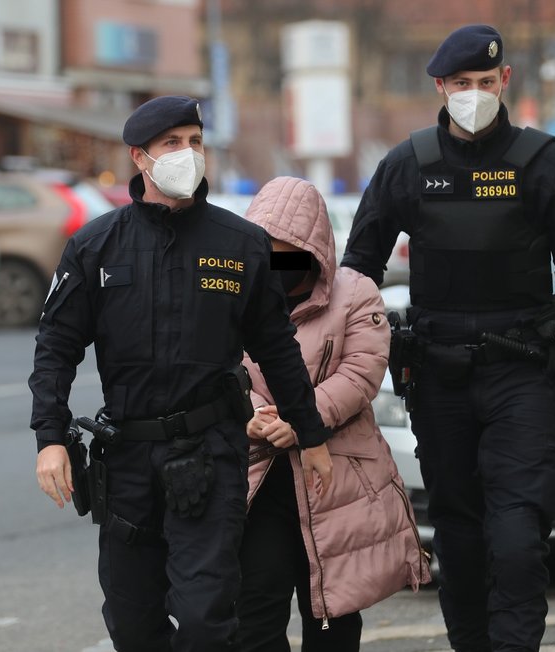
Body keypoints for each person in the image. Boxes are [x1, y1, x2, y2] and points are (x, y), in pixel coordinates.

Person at [340, 24, 555, 652]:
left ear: (504, 81)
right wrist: (341, 372)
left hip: (523, 372)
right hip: (439, 377)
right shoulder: (407, 165)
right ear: (440, 86)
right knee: (458, 542)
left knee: (517, 539)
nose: (473, 93)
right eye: (461, 84)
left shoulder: (542, 162)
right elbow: (356, 277)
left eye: (484, 82)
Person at [28, 95, 334, 652]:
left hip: (210, 453)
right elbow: (55, 347)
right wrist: (50, 437)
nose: (188, 154)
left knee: (204, 620)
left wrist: (310, 434)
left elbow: (277, 348)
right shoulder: (95, 246)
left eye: (195, 142)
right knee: (132, 622)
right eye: (172, 144)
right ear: (139, 158)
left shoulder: (240, 245)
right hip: (126, 459)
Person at [235, 176, 430, 652]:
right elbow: (221, 365)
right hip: (258, 475)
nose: (276, 264)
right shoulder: (234, 294)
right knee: (255, 611)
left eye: (288, 252)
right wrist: (256, 414)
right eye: (266, 251)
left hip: (334, 473)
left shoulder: (356, 293)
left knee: (331, 611)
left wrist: (301, 420)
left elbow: (362, 373)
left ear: (314, 248)